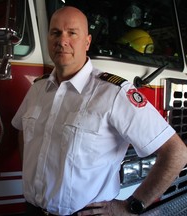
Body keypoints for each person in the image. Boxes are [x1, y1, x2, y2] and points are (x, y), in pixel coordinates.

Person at [11, 6, 187, 216]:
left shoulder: (113, 93)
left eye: (72, 33)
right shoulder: (38, 89)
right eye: (55, 33)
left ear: (87, 42)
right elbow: (23, 130)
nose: (62, 41)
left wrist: (133, 206)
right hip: (32, 209)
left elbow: (176, 152)